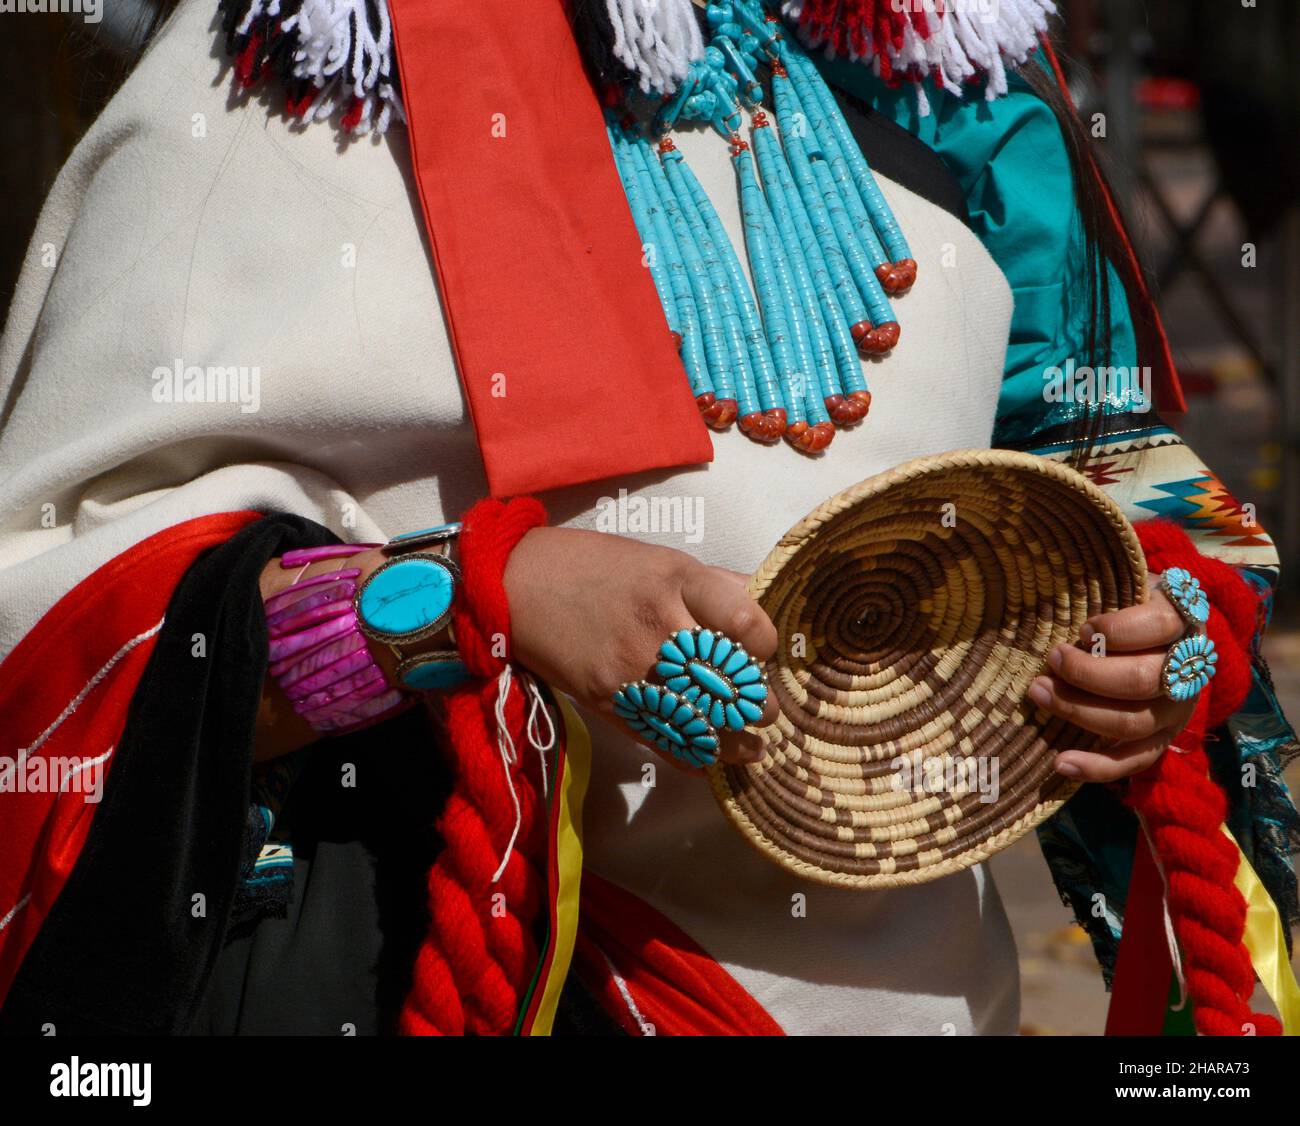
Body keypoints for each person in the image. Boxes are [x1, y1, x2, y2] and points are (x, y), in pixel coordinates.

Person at [0, 0, 1294, 1036]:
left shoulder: (955, 85)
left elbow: (1139, 484)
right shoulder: (298, 76)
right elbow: (64, 641)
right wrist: (463, 604)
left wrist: (1165, 636)